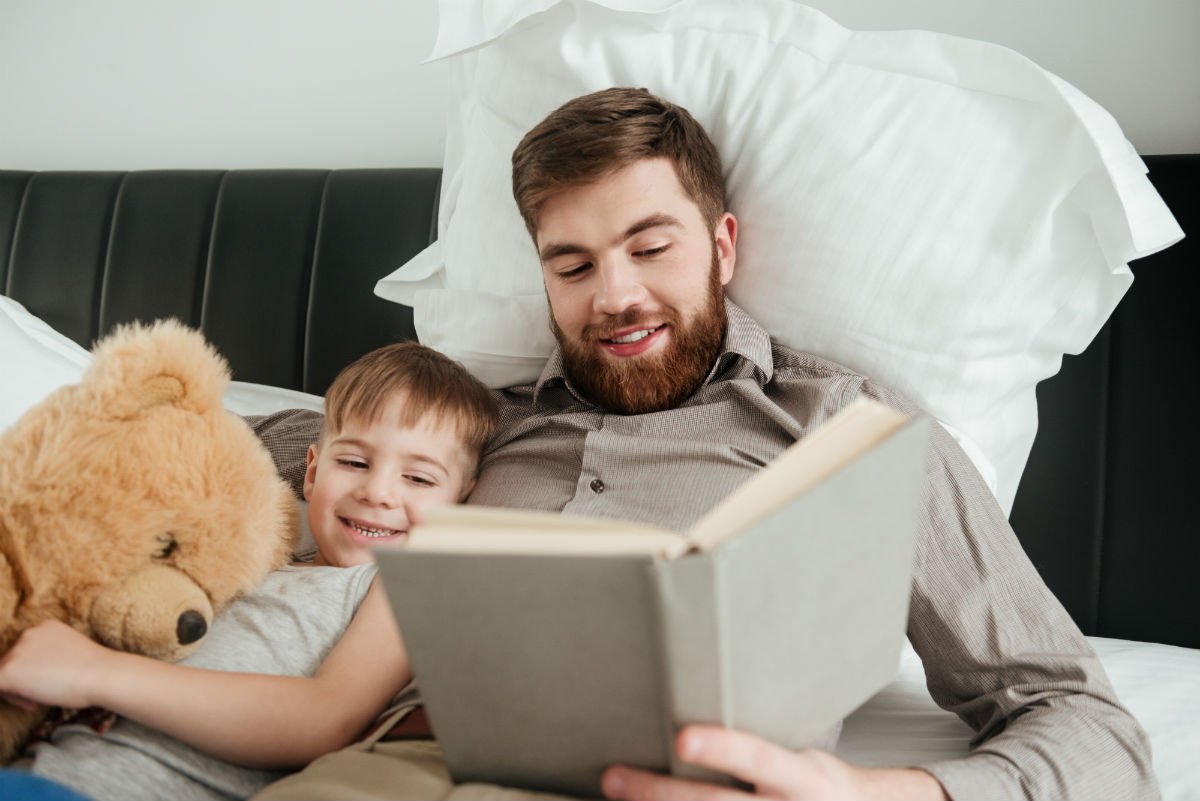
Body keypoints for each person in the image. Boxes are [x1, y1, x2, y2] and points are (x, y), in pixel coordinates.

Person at [249, 88, 1159, 801]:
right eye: (572, 265)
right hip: (389, 765)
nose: (614, 296)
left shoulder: (846, 428)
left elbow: (1084, 722)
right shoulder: (482, 419)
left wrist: (876, 787)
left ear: (723, 245)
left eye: (652, 247)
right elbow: (287, 439)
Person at [0, 342, 498, 801]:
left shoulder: (398, 585)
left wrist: (94, 672)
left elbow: (327, 718)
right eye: (353, 462)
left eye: (418, 477)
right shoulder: (252, 554)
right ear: (311, 470)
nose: (379, 492)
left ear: (462, 499)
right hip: (39, 764)